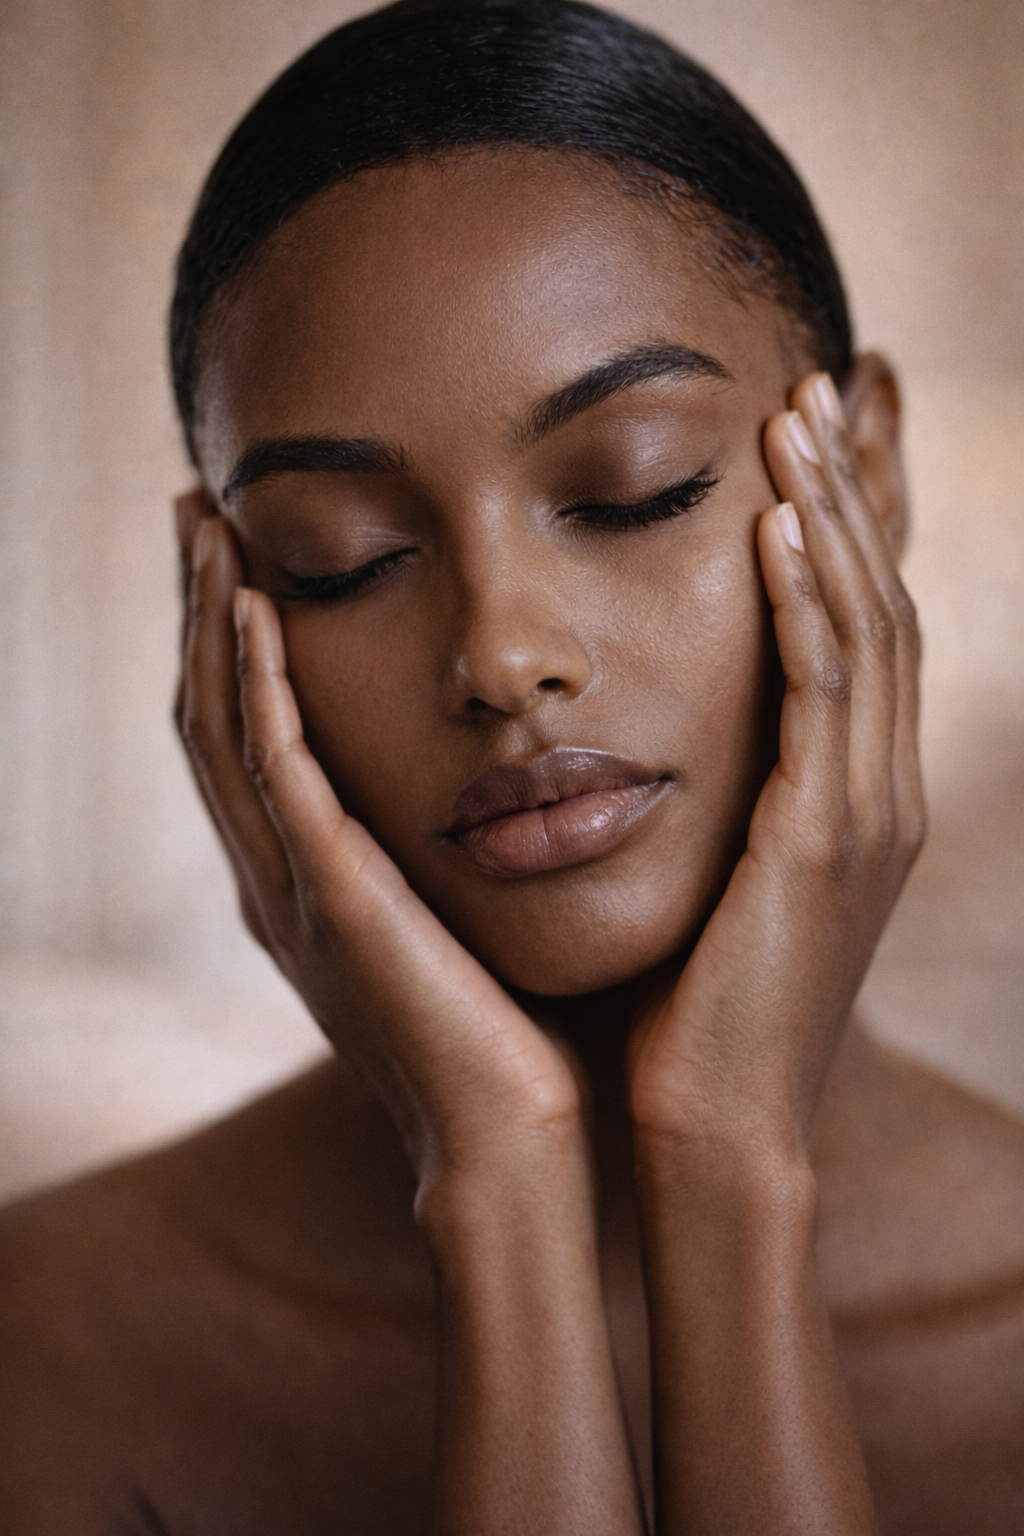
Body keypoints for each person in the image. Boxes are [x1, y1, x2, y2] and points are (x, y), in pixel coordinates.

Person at [1, 2, 1021, 1531]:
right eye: (341, 560)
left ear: (862, 474)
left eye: (635, 491)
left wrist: (732, 1164)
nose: (499, 657)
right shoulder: (45, 1353)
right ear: (224, 607)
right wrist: (493, 1184)